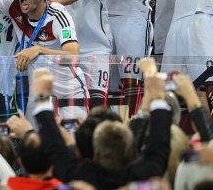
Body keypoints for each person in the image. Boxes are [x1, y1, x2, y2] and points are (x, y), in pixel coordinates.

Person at [31, 65, 171, 188]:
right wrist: (156, 92)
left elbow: (54, 146)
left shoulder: (77, 176)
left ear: (96, 154)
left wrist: (41, 97)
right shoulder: (145, 173)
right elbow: (160, 145)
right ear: (130, 150)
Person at [0, 0, 87, 119]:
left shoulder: (57, 14)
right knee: (36, 140)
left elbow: (73, 55)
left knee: (73, 140)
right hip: (39, 92)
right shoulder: (12, 4)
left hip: (68, 90)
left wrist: (39, 50)